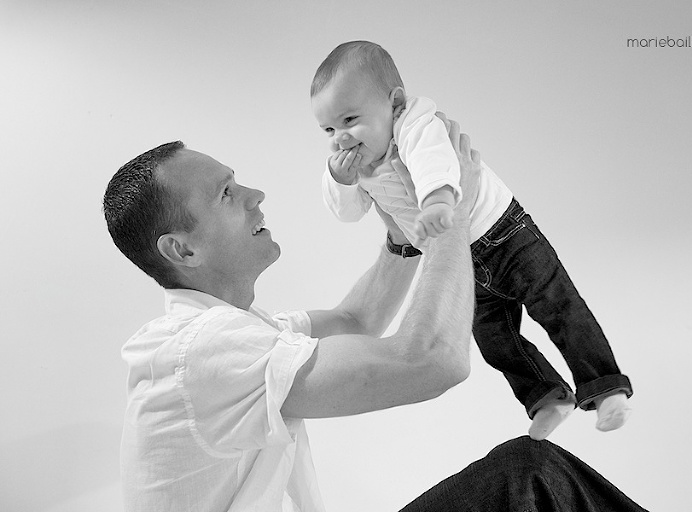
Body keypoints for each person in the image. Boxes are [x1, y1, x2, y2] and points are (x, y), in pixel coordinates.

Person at [103, 118, 648, 511]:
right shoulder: (196, 351)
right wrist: (449, 215)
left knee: (528, 476)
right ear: (181, 250)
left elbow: (357, 320)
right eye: (226, 193)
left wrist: (402, 233)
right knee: (529, 476)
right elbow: (432, 361)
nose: (255, 194)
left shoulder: (240, 333)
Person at [311, 40, 633, 440]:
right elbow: (348, 213)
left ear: (394, 103)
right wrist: (339, 180)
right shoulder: (358, 165)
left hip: (504, 233)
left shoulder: (413, 125)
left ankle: (605, 387)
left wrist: (438, 201)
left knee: (558, 306)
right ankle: (547, 395)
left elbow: (436, 163)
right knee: (494, 339)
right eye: (329, 129)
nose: (340, 138)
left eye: (350, 119)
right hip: (460, 258)